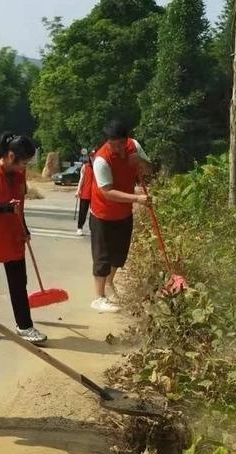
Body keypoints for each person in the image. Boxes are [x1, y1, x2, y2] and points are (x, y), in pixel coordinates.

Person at [0, 132, 47, 344]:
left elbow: (19, 205)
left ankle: (24, 325)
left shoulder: (19, 175)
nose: (25, 168)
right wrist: (5, 207)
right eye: (24, 162)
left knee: (19, 284)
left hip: (14, 237)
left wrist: (25, 227)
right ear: (11, 156)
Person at [89, 119, 152, 313]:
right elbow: (108, 192)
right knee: (103, 257)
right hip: (103, 213)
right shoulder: (101, 159)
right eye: (113, 144)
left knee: (119, 255)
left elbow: (149, 170)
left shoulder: (134, 146)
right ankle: (98, 297)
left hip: (124, 213)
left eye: (120, 144)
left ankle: (110, 284)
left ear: (127, 139)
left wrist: (140, 162)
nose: (118, 148)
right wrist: (137, 198)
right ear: (108, 141)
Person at [75, 152, 94, 236]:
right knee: (83, 212)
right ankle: (79, 227)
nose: (93, 158)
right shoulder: (85, 167)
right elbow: (81, 179)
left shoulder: (98, 167)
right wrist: (78, 190)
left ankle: (92, 229)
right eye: (92, 157)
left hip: (95, 194)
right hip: (85, 193)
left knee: (94, 213)